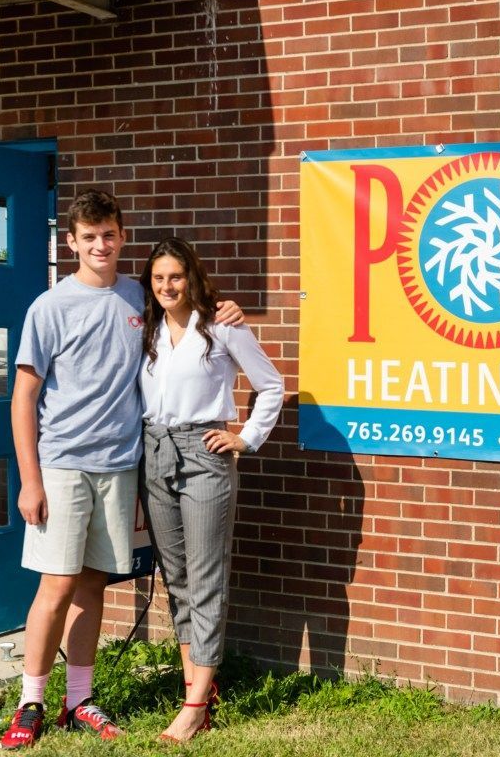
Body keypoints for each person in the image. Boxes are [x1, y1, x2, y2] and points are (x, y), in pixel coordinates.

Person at [0, 191, 243, 749]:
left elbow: (191, 316)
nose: (100, 246)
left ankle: (78, 699)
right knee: (56, 584)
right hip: (63, 464)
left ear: (121, 236)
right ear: (71, 243)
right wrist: (30, 478)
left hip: (122, 465)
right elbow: (23, 398)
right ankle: (30, 701)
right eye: (88, 238)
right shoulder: (49, 307)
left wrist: (227, 309)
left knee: (92, 584)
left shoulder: (140, 295)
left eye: (108, 235)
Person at [138, 237, 284, 743]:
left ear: (192, 276)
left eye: (175, 276)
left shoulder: (221, 325)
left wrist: (245, 437)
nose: (166, 287)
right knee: (176, 576)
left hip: (203, 456)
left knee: (205, 578)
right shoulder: (148, 329)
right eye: (158, 279)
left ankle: (195, 706)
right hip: (155, 453)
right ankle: (196, 686)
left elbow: (271, 384)